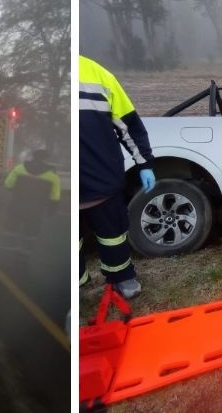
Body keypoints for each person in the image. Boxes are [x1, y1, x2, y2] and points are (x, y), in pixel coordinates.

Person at [80, 55, 156, 299]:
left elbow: (128, 124)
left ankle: (122, 277)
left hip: (103, 181)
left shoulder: (99, 74)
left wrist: (144, 163)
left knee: (113, 236)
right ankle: (77, 286)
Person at [3, 149, 62, 249]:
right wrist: (52, 210)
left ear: (33, 156)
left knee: (12, 226)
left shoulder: (20, 168)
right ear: (46, 158)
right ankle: (24, 254)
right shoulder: (53, 175)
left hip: (17, 205)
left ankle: (9, 248)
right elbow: (55, 196)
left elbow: (8, 184)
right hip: (36, 209)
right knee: (31, 231)